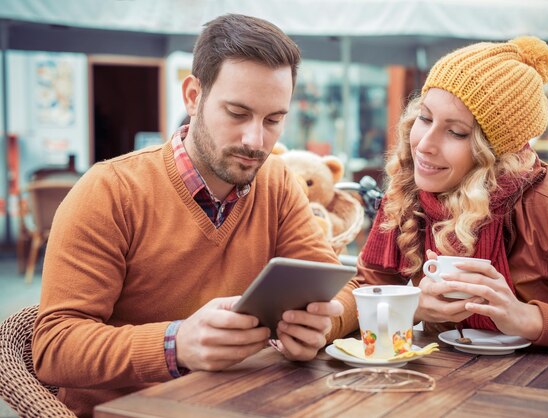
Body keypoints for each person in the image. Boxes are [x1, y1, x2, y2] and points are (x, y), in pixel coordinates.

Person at [32, 14, 357, 416]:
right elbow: (53, 347)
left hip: (245, 404)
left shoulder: (277, 182)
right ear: (192, 95)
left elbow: (339, 289)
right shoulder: (109, 191)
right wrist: (176, 343)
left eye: (273, 120)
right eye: (237, 113)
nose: (256, 141)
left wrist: (322, 326)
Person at [356, 36, 548, 352]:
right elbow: (367, 288)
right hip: (438, 383)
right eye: (425, 118)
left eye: (456, 132)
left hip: (544, 388)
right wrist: (411, 306)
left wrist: (530, 319)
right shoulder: (408, 188)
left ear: (495, 153)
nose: (424, 144)